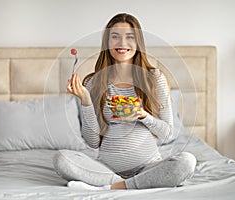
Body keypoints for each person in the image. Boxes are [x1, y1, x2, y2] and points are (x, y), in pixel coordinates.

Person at [53, 13, 196, 190]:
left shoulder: (154, 78)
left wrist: (144, 116)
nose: (122, 43)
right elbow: (92, 142)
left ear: (138, 43)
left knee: (187, 162)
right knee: (61, 159)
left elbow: (167, 134)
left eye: (130, 37)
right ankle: (128, 184)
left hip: (148, 167)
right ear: (107, 43)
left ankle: (113, 187)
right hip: (106, 168)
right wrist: (86, 101)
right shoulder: (93, 82)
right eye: (115, 37)